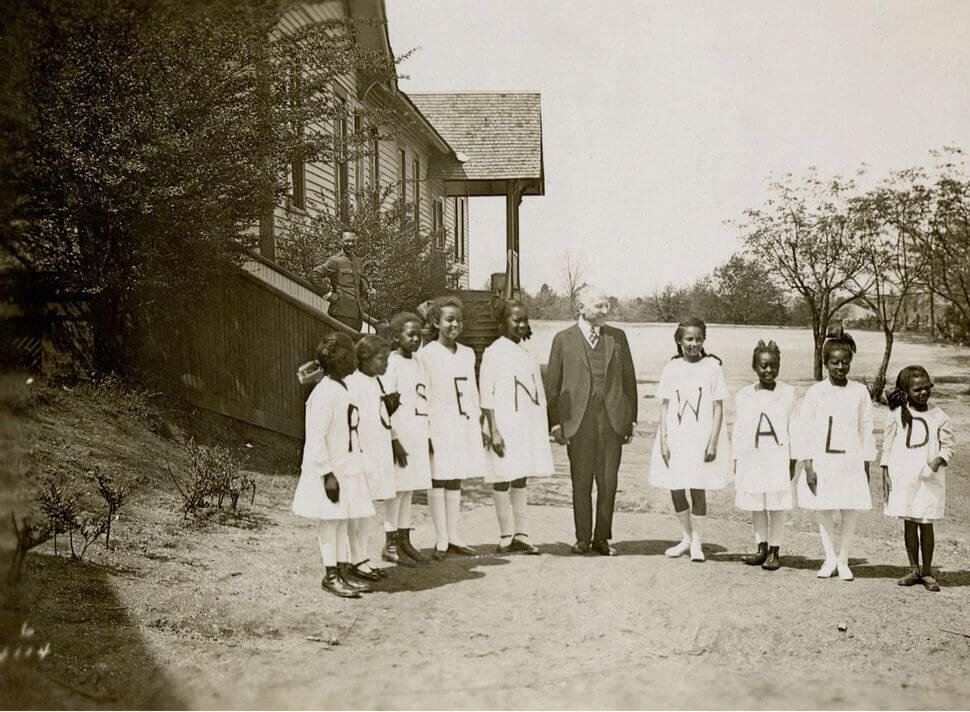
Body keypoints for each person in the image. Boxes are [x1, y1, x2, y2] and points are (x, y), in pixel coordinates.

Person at [544, 284, 637, 556]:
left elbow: (628, 380)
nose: (605, 310)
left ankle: (602, 538)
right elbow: (553, 384)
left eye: (607, 305)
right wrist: (555, 422)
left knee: (608, 482)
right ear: (581, 308)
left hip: (611, 421)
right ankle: (582, 537)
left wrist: (630, 420)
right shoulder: (563, 339)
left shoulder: (618, 337)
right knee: (581, 481)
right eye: (599, 306)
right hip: (578, 422)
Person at [291, 332, 376, 598]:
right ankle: (330, 575)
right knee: (330, 522)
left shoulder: (343, 388)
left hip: (345, 467)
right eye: (348, 353)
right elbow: (315, 438)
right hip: (327, 471)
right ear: (335, 360)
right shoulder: (324, 393)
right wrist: (327, 474)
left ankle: (342, 570)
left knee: (341, 520)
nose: (353, 358)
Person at [794, 327, 876, 582]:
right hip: (823, 461)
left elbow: (866, 427)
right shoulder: (816, 392)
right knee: (825, 507)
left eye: (845, 362)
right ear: (825, 363)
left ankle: (844, 559)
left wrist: (866, 462)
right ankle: (829, 558)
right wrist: (808, 464)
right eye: (835, 362)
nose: (840, 367)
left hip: (850, 460)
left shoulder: (860, 391)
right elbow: (804, 429)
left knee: (849, 507)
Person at [648, 317, 730, 562]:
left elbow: (718, 407)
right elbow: (664, 406)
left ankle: (697, 543)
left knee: (697, 487)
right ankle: (686, 537)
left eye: (698, 339)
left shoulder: (712, 367)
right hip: (676, 438)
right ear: (679, 340)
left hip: (700, 438)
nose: (694, 343)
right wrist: (663, 441)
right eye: (689, 339)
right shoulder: (672, 368)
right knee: (675, 487)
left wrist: (713, 441)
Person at [480, 298, 554, 554]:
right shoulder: (494, 352)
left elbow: (537, 393)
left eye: (525, 320)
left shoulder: (526, 353)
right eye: (516, 320)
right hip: (503, 425)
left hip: (525, 425)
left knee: (520, 476)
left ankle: (521, 534)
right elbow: (486, 395)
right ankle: (505, 535)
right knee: (502, 476)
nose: (522, 324)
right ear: (502, 322)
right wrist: (494, 430)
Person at [417, 296, 489, 559]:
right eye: (449, 320)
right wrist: (424, 430)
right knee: (438, 477)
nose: (455, 325)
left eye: (458, 320)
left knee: (456, 477)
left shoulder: (468, 353)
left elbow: (471, 390)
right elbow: (422, 395)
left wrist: (478, 420)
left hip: (462, 423)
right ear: (436, 322)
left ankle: (455, 535)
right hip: (438, 423)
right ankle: (441, 538)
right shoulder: (426, 355)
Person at [881, 365, 956, 592]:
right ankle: (914, 568)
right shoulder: (896, 415)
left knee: (926, 522)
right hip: (904, 478)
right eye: (917, 390)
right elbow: (887, 445)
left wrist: (935, 463)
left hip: (928, 479)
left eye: (926, 388)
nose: (923, 393)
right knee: (910, 522)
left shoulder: (939, 416)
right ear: (906, 392)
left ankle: (927, 571)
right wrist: (885, 474)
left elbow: (949, 446)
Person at [732, 340, 797, 571]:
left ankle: (774, 551)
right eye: (763, 366)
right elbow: (739, 430)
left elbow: (793, 428)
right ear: (755, 367)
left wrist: (793, 460)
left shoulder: (788, 393)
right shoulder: (743, 395)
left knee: (776, 505)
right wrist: (737, 459)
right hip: (753, 457)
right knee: (757, 504)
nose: (769, 370)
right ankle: (761, 548)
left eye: (773, 365)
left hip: (777, 457)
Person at [381, 312, 433, 566]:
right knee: (396, 490)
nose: (416, 340)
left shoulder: (418, 363)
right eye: (410, 335)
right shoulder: (391, 364)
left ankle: (404, 539)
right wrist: (393, 439)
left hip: (417, 433)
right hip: (399, 435)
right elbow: (385, 406)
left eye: (419, 335)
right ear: (395, 336)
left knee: (409, 487)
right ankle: (390, 542)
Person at [345, 335, 397, 581]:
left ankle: (361, 557)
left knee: (367, 509)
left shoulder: (377, 381)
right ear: (364, 359)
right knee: (356, 509)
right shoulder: (352, 384)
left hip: (378, 451)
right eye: (381, 359)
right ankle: (352, 558)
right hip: (361, 454)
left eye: (387, 359)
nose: (385, 364)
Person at [309, 229, 371, 333]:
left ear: (356, 241)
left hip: (357, 313)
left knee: (353, 346)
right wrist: (328, 294)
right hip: (341, 312)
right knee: (341, 345)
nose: (350, 244)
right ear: (340, 242)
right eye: (347, 241)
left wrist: (367, 289)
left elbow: (361, 282)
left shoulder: (358, 261)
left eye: (353, 241)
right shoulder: (335, 260)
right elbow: (314, 275)